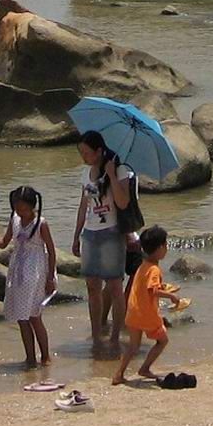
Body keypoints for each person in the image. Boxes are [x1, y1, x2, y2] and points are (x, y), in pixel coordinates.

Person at [71, 130, 139, 357]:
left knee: (114, 286)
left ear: (99, 151)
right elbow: (83, 206)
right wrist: (76, 236)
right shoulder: (86, 174)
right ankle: (97, 334)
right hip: (91, 233)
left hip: (112, 233)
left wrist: (111, 175)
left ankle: (115, 336)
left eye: (86, 153)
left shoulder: (120, 171)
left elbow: (122, 202)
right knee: (92, 286)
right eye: (81, 153)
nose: (83, 157)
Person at [0, 185, 58, 370]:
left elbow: (52, 252)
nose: (21, 213)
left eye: (24, 210)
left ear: (33, 207)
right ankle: (29, 358)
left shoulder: (41, 224)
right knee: (22, 317)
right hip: (17, 270)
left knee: (34, 316)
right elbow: (4, 242)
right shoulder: (15, 219)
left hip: (36, 272)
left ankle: (45, 356)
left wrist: (50, 278)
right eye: (18, 210)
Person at [112, 226, 184, 385]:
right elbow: (153, 291)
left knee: (133, 346)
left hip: (133, 312)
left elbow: (146, 287)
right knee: (162, 341)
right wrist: (171, 296)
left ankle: (119, 374)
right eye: (165, 245)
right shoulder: (154, 269)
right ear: (159, 248)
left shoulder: (142, 266)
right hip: (147, 314)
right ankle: (145, 368)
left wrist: (164, 288)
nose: (166, 249)